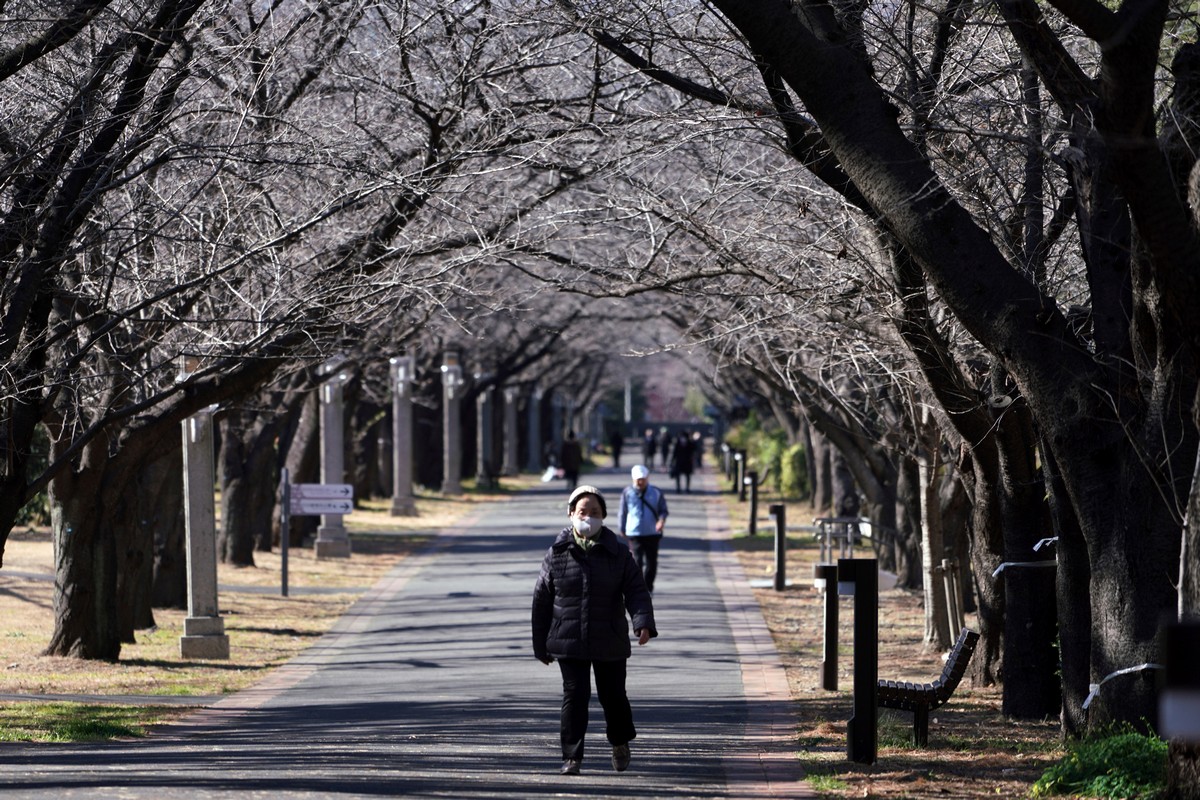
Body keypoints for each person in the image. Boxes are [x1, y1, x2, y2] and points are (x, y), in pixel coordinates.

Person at [532, 485, 657, 776]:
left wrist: (643, 623)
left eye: (595, 513)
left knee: (613, 696)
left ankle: (619, 741)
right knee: (574, 697)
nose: (588, 517)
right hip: (568, 638)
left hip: (609, 637)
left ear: (604, 516)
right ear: (571, 514)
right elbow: (541, 600)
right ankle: (572, 757)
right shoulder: (557, 553)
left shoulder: (619, 553)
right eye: (583, 512)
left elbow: (637, 591)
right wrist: (541, 644)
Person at [617, 465, 669, 592]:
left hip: (652, 532)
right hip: (635, 532)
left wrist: (661, 521)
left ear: (647, 478)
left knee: (652, 563)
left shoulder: (656, 492)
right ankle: (639, 588)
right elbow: (622, 511)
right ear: (633, 479)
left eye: (642, 479)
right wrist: (622, 528)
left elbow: (663, 510)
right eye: (637, 479)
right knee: (637, 562)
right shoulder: (627, 492)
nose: (640, 482)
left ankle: (648, 587)